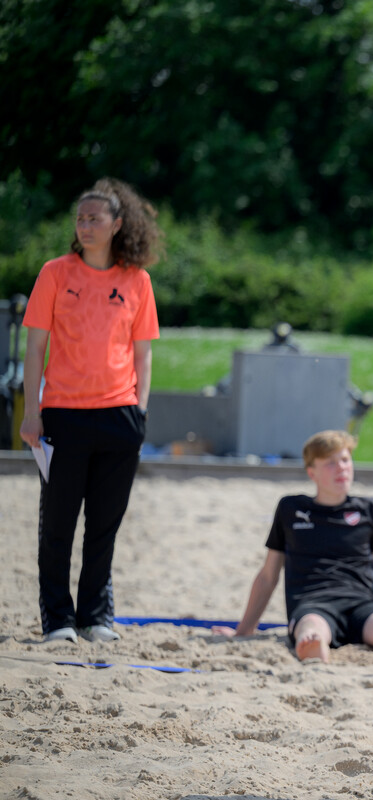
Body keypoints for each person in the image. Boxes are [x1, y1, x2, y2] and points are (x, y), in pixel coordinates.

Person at [20, 178, 162, 645]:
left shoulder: (137, 280)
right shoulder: (54, 273)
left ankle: (96, 616)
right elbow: (35, 348)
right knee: (58, 525)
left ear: (117, 224)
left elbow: (143, 354)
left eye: (94, 218)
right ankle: (58, 619)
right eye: (80, 218)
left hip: (120, 417)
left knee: (104, 525)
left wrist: (140, 411)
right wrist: (32, 411)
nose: (85, 226)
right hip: (62, 414)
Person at [212, 430, 373, 663]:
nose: (341, 468)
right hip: (313, 605)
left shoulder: (369, 509)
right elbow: (267, 576)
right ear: (312, 472)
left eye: (345, 460)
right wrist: (244, 630)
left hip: (361, 605)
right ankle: (314, 652)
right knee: (312, 630)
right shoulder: (291, 508)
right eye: (331, 463)